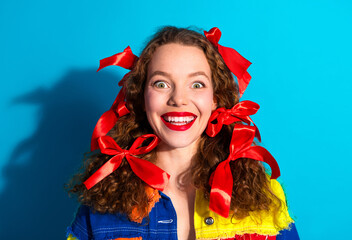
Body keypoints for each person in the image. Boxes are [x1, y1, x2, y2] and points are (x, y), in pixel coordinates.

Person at [66, 26, 299, 240]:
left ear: (215, 99)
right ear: (142, 97)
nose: (178, 99)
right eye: (161, 83)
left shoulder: (264, 196)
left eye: (196, 84)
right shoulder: (103, 202)